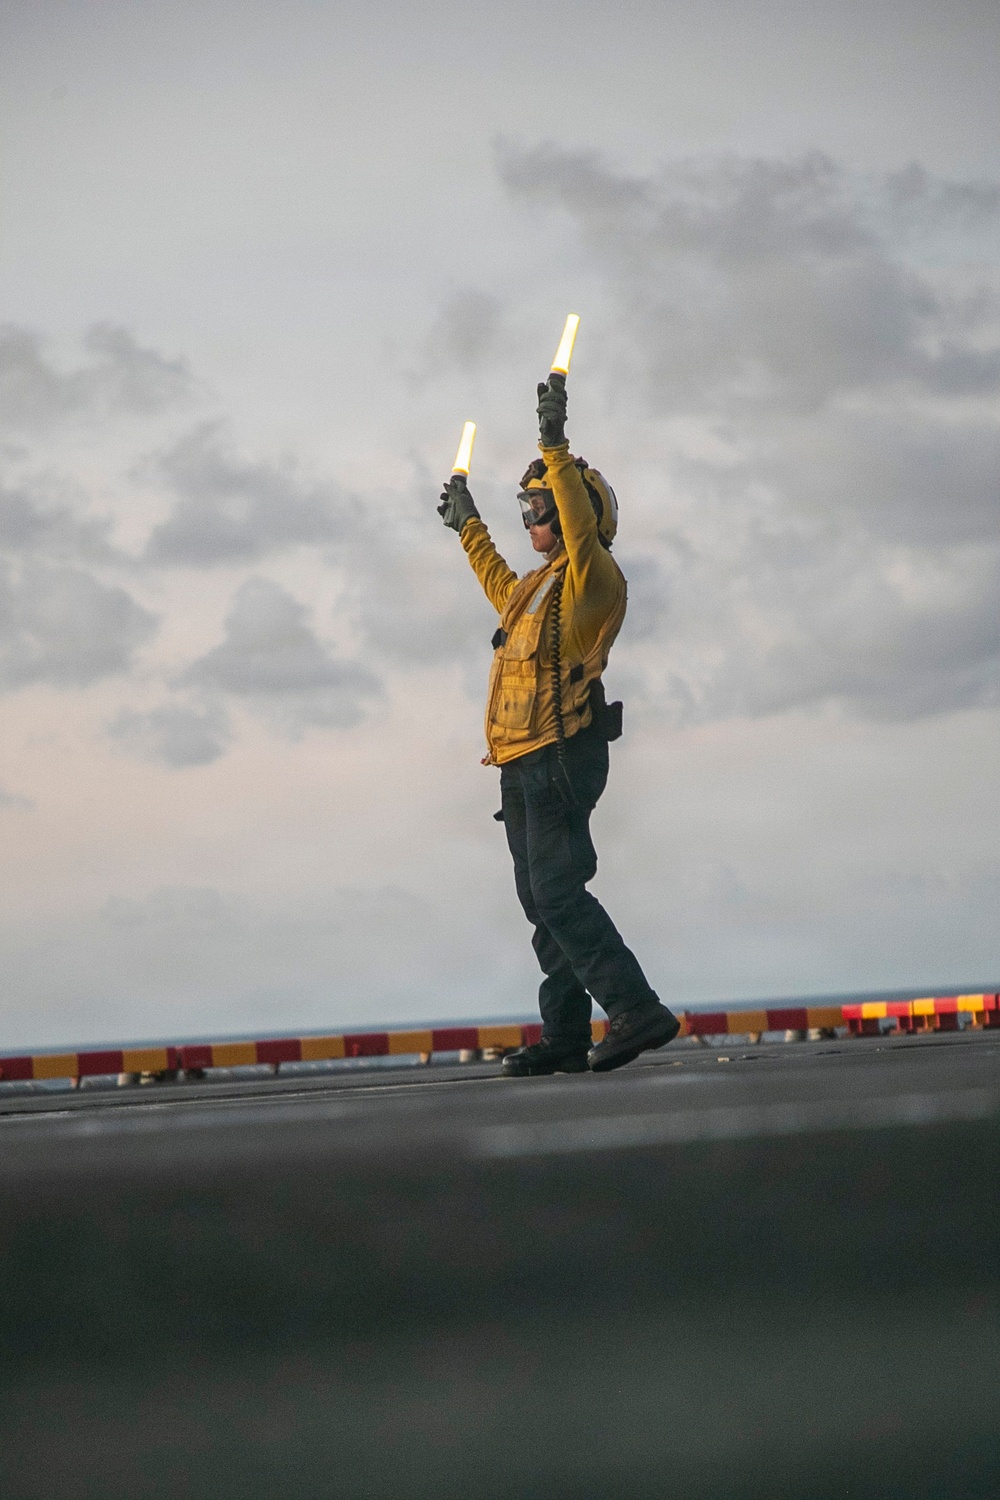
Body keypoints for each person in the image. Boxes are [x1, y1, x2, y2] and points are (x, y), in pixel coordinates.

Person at [437, 373, 680, 1075]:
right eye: (525, 509)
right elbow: (497, 586)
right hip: (520, 763)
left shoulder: (595, 579)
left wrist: (555, 444)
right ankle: (567, 1036)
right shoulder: (537, 590)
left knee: (558, 890)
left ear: (575, 511)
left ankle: (636, 1010)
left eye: (538, 507)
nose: (532, 521)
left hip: (560, 757)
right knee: (538, 901)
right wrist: (469, 526)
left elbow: (578, 524)